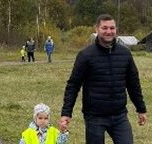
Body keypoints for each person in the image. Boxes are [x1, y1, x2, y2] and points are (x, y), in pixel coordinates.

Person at [60, 14, 147, 144]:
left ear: (116, 30)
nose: (108, 31)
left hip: (119, 116)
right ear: (97, 29)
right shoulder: (86, 55)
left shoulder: (125, 54)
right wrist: (66, 113)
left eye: (112, 28)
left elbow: (133, 83)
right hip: (94, 116)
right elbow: (73, 85)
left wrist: (141, 109)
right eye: (104, 28)